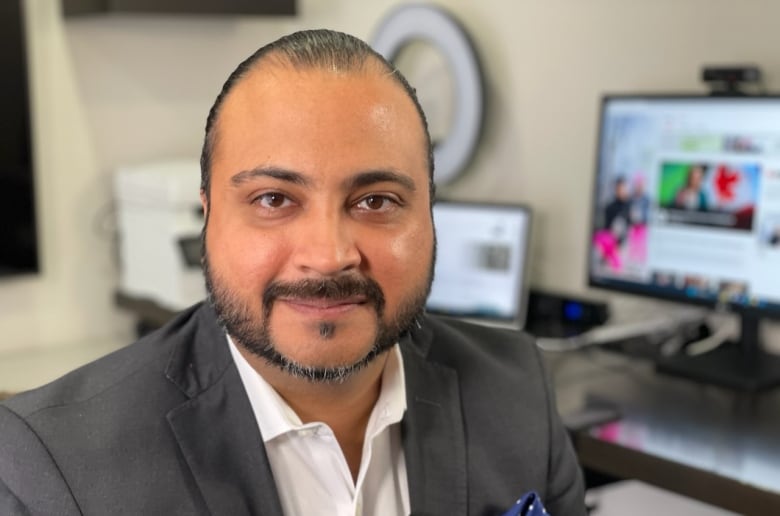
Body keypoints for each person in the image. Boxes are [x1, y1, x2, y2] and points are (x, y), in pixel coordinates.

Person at [0, 30, 585, 515]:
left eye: (376, 201)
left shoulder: (518, 389)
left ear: (430, 215)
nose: (329, 256)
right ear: (208, 219)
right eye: (274, 200)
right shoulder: (55, 465)